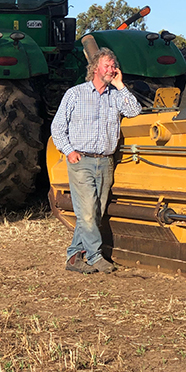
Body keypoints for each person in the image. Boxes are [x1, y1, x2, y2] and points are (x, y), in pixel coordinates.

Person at [51, 47, 142, 274]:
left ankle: (74, 256)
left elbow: (135, 112)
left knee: (94, 212)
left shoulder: (116, 96)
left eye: (113, 66)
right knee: (89, 212)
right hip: (81, 161)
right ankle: (94, 256)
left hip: (105, 161)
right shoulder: (75, 94)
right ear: (95, 68)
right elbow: (58, 127)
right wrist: (69, 151)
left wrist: (121, 85)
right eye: (107, 66)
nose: (111, 69)